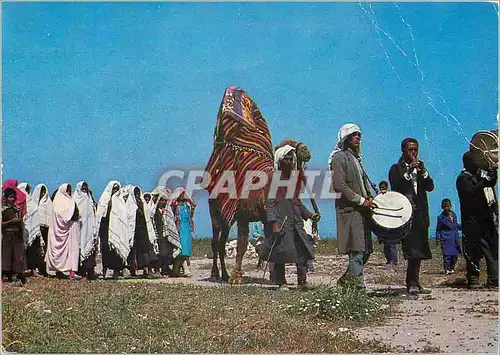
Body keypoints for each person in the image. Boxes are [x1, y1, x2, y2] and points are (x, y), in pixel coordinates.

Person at [264, 145, 320, 290]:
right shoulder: (273, 178)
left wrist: (309, 215)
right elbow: (269, 202)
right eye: (286, 159)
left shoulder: (292, 179)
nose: (289, 161)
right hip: (281, 221)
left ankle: (302, 282)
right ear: (280, 161)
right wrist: (273, 222)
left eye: (291, 158)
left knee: (302, 251)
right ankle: (281, 282)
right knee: (280, 253)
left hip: (295, 220)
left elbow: (297, 202)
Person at [329, 124, 376, 290]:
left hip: (362, 211)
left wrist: (369, 197)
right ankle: (358, 289)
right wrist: (362, 200)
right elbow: (339, 186)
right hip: (350, 211)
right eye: (354, 135)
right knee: (356, 251)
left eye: (359, 135)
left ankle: (346, 281)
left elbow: (362, 184)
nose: (357, 138)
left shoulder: (356, 159)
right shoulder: (339, 158)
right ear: (346, 138)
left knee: (366, 251)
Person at [389, 137, 434, 295]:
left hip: (421, 214)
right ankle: (412, 283)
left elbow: (430, 187)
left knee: (420, 249)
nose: (414, 153)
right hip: (406, 215)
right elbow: (396, 185)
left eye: (416, 149)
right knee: (411, 248)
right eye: (410, 150)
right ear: (403, 151)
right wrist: (408, 171)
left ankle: (415, 281)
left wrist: (423, 172)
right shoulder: (396, 168)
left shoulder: (420, 169)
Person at [456, 151, 498, 288]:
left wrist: (493, 171)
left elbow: (491, 183)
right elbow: (470, 192)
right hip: (472, 221)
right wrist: (484, 181)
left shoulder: (478, 177)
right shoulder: (463, 178)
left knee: (492, 249)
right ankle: (473, 279)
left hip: (485, 219)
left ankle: (494, 279)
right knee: (473, 252)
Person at [45, 183, 80, 280]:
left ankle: (72, 272)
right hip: (58, 232)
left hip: (70, 230)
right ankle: (58, 272)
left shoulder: (70, 202)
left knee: (71, 251)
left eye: (69, 190)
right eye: (67, 190)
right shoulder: (57, 203)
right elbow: (66, 217)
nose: (68, 192)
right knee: (59, 252)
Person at [96, 181, 127, 278]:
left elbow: (123, 217)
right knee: (105, 250)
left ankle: (116, 272)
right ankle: (104, 271)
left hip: (117, 230)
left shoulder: (120, 201)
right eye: (114, 189)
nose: (115, 191)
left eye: (117, 189)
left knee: (116, 252)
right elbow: (100, 214)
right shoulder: (105, 199)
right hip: (105, 229)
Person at [126, 186, 158, 277]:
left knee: (146, 250)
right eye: (135, 194)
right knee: (134, 252)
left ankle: (147, 271)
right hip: (134, 232)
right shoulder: (130, 205)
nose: (136, 196)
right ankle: (133, 271)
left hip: (143, 231)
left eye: (138, 194)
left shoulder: (143, 204)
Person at [24, 184, 52, 277]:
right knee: (35, 250)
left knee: (44, 250)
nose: (43, 193)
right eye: (41, 191)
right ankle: (32, 268)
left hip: (46, 230)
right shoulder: (33, 203)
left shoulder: (48, 203)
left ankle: (42, 269)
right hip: (35, 230)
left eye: (44, 191)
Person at [153, 191, 182, 277]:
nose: (164, 202)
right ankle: (157, 270)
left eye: (166, 200)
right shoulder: (154, 211)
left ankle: (166, 269)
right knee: (160, 253)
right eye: (162, 200)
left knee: (168, 253)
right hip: (158, 235)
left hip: (166, 235)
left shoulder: (167, 212)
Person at [2, 188, 27, 284]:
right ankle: (5, 276)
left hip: (16, 236)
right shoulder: (3, 209)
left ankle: (16, 275)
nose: (12, 199)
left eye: (13, 197)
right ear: (5, 198)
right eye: (10, 197)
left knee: (17, 256)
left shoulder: (16, 208)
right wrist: (11, 222)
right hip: (7, 236)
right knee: (6, 257)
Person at [74, 181, 98, 280]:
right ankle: (82, 273)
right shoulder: (75, 199)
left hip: (90, 229)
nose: (84, 190)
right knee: (81, 249)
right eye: (82, 188)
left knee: (90, 249)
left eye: (85, 188)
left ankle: (91, 272)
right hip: (80, 229)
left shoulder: (90, 199)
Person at [171, 187, 196, 277]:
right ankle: (184, 269)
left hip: (187, 228)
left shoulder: (187, 205)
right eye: (180, 194)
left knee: (186, 249)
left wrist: (192, 205)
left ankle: (176, 270)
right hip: (179, 229)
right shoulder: (175, 205)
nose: (182, 196)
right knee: (181, 249)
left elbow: (191, 215)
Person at [435, 198, 461, 275]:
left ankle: (452, 268)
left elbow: (456, 225)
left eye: (448, 206)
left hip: (455, 238)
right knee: (447, 256)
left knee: (455, 255)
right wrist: (437, 239)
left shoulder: (454, 214)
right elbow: (438, 229)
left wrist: (465, 228)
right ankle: (447, 269)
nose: (447, 208)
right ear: (442, 207)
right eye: (445, 206)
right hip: (446, 238)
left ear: (451, 206)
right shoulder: (441, 217)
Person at [376, 180, 398, 266]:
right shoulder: (378, 197)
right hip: (382, 223)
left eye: (383, 187)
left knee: (391, 243)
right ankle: (389, 260)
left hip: (390, 223)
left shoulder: (391, 197)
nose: (382, 189)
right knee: (385, 244)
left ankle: (393, 260)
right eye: (381, 188)